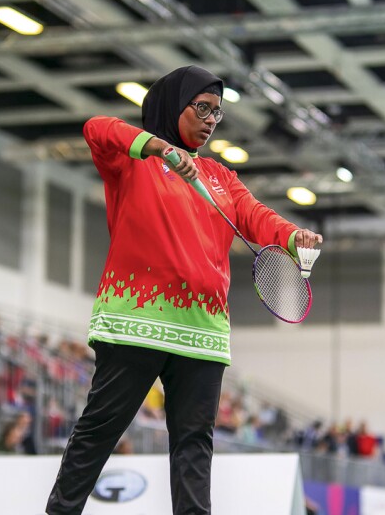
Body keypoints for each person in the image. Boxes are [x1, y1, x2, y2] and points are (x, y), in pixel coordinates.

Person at [45, 65, 323, 515]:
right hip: (136, 322)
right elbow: (96, 129)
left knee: (194, 447)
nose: (212, 120)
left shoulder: (221, 177)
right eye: (203, 108)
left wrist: (296, 237)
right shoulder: (133, 161)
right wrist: (156, 147)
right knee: (99, 431)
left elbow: (257, 217)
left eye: (218, 113)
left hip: (202, 333)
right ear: (175, 105)